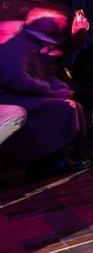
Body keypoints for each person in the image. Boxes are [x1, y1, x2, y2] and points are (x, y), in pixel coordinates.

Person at [0, 10, 86, 172]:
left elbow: (44, 74)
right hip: (9, 98)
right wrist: (51, 92)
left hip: (23, 95)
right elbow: (16, 80)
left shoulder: (32, 48)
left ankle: (65, 154)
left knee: (72, 106)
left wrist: (60, 88)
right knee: (62, 108)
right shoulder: (15, 46)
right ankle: (47, 160)